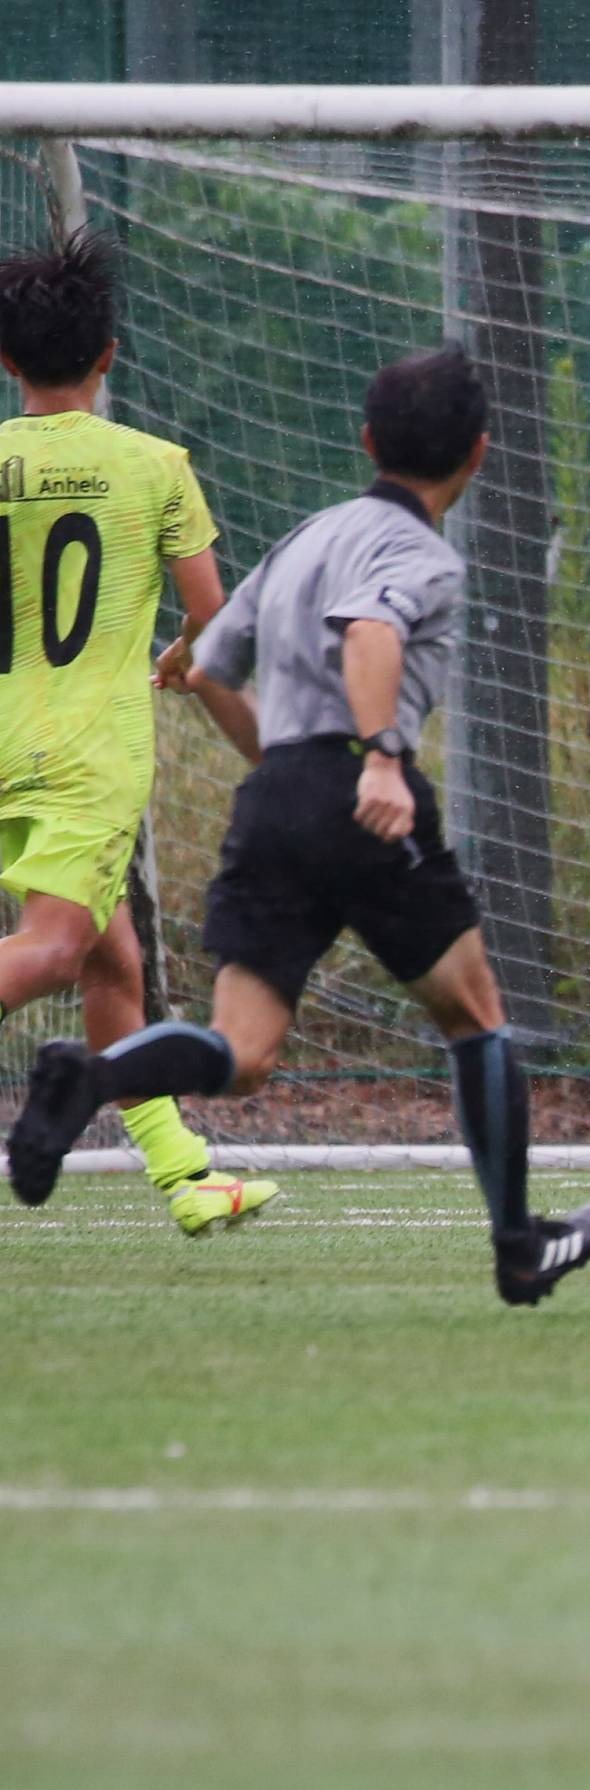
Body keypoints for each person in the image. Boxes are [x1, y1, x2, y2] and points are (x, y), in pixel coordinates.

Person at [7, 346, 590, 1305]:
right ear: (480, 455)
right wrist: (376, 755)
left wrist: (286, 777)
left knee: (242, 1053)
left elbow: (204, 663)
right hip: (362, 791)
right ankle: (516, 1246)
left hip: (278, 796)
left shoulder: (306, 535)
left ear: (367, 440)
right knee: (478, 1014)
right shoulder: (422, 555)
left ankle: (89, 1077)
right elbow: (371, 629)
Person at [0, 228, 278, 1233]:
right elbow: (218, 622)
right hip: (84, 752)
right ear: (110, 354)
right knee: (52, 948)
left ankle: (183, 1175)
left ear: (5, 359)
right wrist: (183, 657)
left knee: (114, 957)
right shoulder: (155, 467)